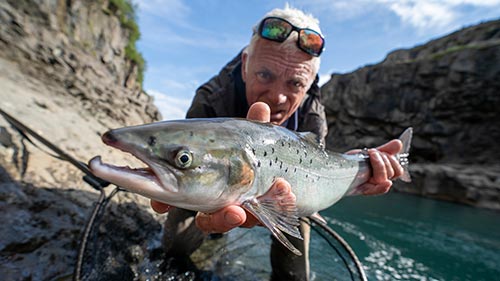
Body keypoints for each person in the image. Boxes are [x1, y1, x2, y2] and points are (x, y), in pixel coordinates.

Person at [151, 6, 403, 281]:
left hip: (289, 193)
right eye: (265, 76)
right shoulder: (211, 100)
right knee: (176, 245)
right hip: (210, 177)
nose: (279, 97)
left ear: (308, 86)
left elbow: (320, 168)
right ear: (246, 65)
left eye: (295, 84)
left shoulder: (312, 115)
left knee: (294, 271)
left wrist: (359, 167)